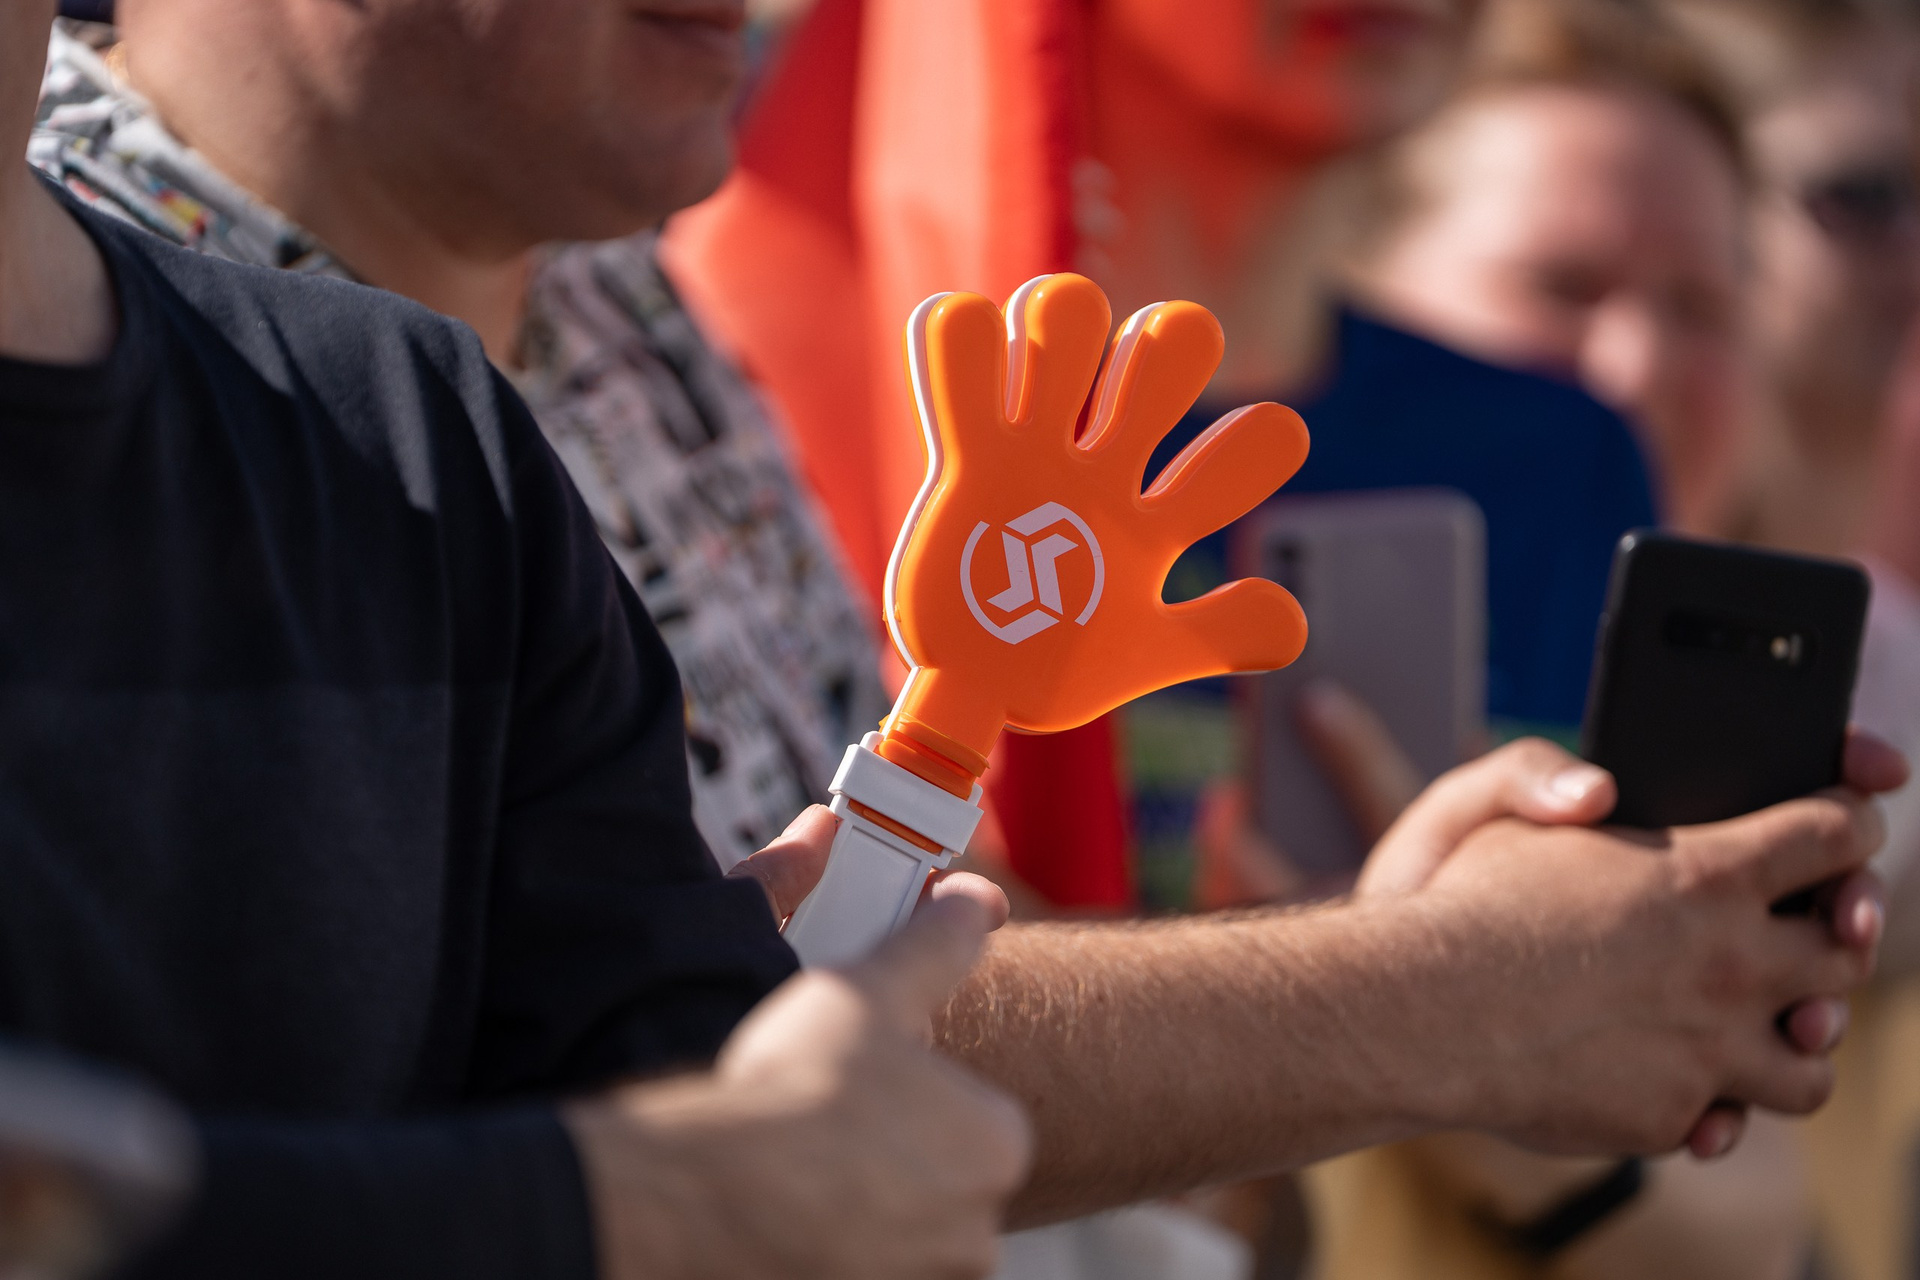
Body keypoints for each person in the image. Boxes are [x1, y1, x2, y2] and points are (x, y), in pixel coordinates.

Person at [6, 1, 1909, 1277]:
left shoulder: (600, 305)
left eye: (1700, 292)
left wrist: (1411, 976)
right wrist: (1438, 993)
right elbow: (698, 1090)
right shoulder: (146, 366)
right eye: (1568, 281)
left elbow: (769, 999)